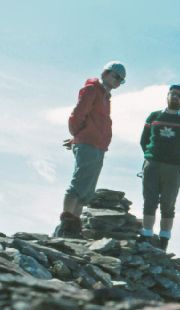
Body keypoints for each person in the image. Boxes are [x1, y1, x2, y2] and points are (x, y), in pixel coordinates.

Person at [54, 61, 126, 238]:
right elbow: (78, 114)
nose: (118, 81)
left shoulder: (105, 97)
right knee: (78, 185)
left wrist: (78, 137)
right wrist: (79, 135)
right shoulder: (92, 90)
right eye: (116, 76)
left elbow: (94, 121)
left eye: (121, 80)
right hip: (89, 144)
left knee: (86, 190)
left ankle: (74, 227)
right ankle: (65, 225)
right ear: (105, 73)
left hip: (98, 146)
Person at [138, 84, 180, 251]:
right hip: (152, 165)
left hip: (174, 168)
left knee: (168, 204)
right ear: (167, 95)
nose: (175, 97)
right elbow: (144, 141)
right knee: (149, 201)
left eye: (179, 95)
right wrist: (150, 156)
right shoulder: (154, 116)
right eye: (172, 93)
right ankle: (146, 236)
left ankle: (163, 241)